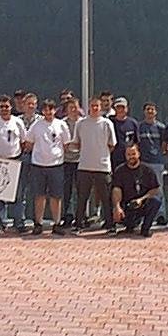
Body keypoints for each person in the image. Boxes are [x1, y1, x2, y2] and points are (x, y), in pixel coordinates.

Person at [26, 99, 71, 235]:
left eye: (50, 109)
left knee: (56, 196)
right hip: (38, 165)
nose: (48, 112)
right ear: (42, 111)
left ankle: (56, 223)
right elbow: (29, 143)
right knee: (39, 196)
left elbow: (66, 144)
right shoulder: (36, 125)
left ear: (55, 110)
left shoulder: (61, 125)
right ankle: (38, 223)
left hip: (56, 165)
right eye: (45, 109)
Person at [72, 96, 117, 232]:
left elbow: (112, 144)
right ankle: (78, 224)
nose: (95, 108)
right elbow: (77, 143)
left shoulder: (107, 123)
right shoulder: (80, 123)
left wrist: (102, 155)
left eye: (97, 106)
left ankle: (110, 224)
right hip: (84, 166)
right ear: (89, 107)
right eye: (92, 106)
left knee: (106, 198)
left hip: (102, 167)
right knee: (82, 198)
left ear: (101, 107)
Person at [0, 95, 27, 233]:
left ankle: (19, 222)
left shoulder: (18, 122)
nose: (4, 109)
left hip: (15, 160)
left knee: (18, 194)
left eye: (7, 106)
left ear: (11, 107)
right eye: (1, 107)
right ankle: (1, 222)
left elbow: (23, 142)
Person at [111, 144, 161, 237]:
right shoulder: (120, 171)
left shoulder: (148, 170)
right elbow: (116, 190)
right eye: (128, 154)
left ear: (139, 154)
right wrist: (117, 207)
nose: (131, 157)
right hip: (127, 207)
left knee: (156, 201)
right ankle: (128, 227)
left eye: (133, 154)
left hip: (142, 204)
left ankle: (145, 229)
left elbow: (155, 189)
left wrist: (141, 199)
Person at [138, 101, 167, 224]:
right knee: (143, 189)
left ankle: (161, 214)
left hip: (157, 162)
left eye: (152, 109)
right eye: (147, 109)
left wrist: (159, 154)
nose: (150, 111)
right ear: (144, 112)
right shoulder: (139, 127)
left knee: (158, 188)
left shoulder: (161, 127)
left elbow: (164, 145)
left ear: (156, 112)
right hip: (143, 162)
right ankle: (143, 214)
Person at [17, 92, 42, 228]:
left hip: (38, 158)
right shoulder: (17, 120)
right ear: (23, 105)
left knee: (37, 190)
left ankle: (36, 220)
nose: (31, 106)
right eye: (28, 104)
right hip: (22, 157)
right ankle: (20, 220)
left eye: (33, 104)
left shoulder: (42, 120)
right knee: (21, 190)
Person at [62, 97, 81, 227]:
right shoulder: (61, 123)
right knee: (66, 190)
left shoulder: (83, 123)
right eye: (71, 107)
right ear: (67, 110)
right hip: (66, 161)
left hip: (81, 161)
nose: (74, 110)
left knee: (81, 191)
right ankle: (67, 216)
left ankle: (81, 216)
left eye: (75, 107)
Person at [109, 97, 139, 170]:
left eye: (122, 107)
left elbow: (136, 142)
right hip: (113, 158)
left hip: (129, 159)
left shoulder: (133, 123)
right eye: (118, 107)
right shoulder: (110, 122)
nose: (120, 110)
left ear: (127, 108)